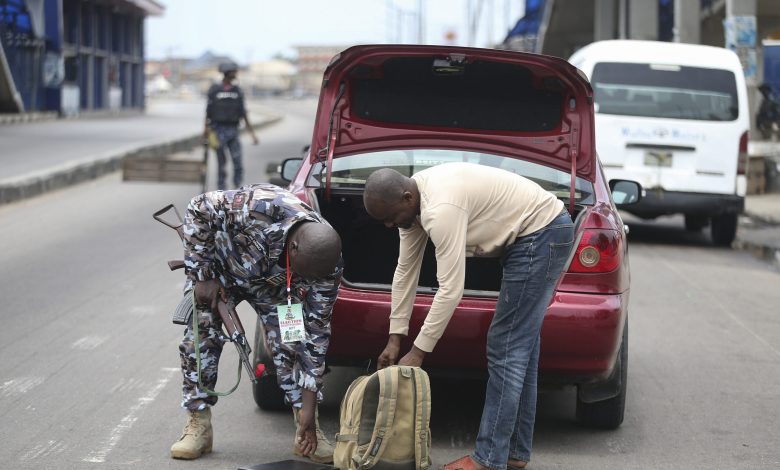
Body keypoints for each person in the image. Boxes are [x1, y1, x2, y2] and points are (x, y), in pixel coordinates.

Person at [363, 162, 574, 470]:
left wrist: (418, 352)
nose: (388, 225)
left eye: (390, 217)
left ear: (407, 198)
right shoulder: (412, 205)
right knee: (521, 350)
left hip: (542, 233)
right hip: (539, 232)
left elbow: (450, 290)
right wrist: (396, 338)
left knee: (506, 347)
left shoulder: (440, 209)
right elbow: (405, 271)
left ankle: (489, 459)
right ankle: (514, 452)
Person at [170, 183, 343, 462]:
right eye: (305, 274)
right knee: (199, 338)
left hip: (278, 290)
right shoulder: (257, 206)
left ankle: (306, 430)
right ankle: (198, 424)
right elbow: (197, 208)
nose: (310, 282)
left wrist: (309, 405)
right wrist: (202, 275)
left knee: (294, 342)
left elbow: (316, 335)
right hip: (222, 272)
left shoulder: (327, 263)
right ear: (294, 246)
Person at [205, 62, 259, 189]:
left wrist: (252, 134)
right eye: (234, 72)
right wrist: (205, 130)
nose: (236, 74)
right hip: (217, 131)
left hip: (233, 130)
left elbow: (243, 113)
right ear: (228, 73)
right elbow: (208, 112)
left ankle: (237, 187)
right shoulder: (214, 90)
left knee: (237, 161)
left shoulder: (238, 91)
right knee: (221, 162)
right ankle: (221, 189)